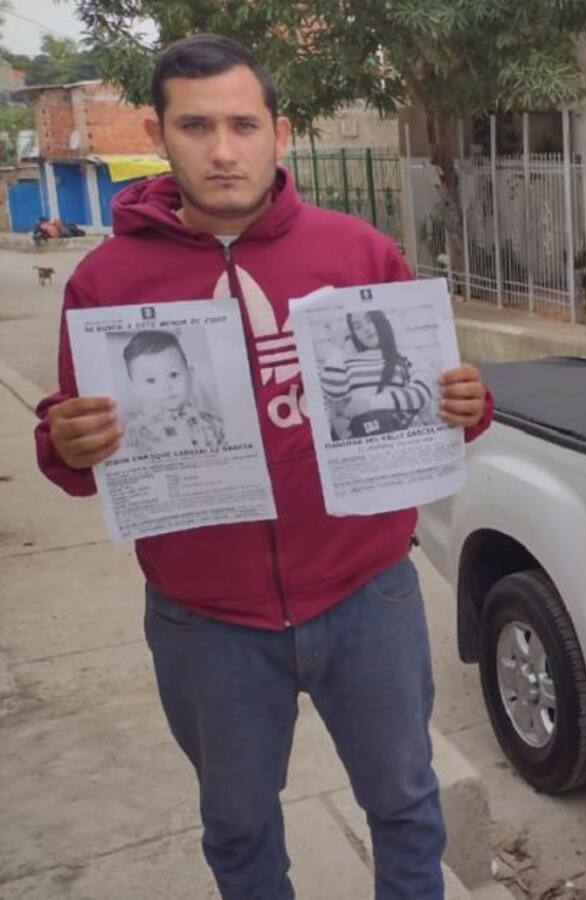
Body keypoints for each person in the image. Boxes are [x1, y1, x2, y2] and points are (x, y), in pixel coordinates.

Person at [34, 34, 492, 900]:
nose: (222, 148)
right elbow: (75, 451)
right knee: (240, 829)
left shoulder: (358, 253)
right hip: (205, 622)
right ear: (157, 132)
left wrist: (468, 405)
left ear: (278, 133)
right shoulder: (104, 283)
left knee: (404, 803)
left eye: (243, 124)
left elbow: (433, 406)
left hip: (368, 595)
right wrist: (65, 442)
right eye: (196, 125)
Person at [320, 311, 433, 440]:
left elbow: (422, 393)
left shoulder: (406, 355)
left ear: (381, 320)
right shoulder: (348, 362)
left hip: (401, 436)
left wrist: (369, 404)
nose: (366, 328)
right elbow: (334, 394)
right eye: (358, 327)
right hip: (361, 440)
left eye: (370, 320)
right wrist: (337, 348)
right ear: (353, 334)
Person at [122, 329, 226, 453]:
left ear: (190, 374)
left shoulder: (213, 423)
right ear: (135, 387)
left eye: (173, 375)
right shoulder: (135, 434)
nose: (165, 387)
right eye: (151, 380)